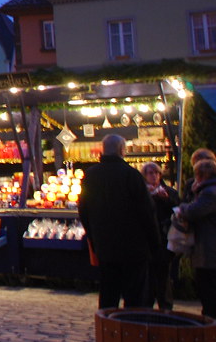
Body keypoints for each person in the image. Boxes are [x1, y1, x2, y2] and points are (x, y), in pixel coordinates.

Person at [77, 134, 160, 309]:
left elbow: (83, 210)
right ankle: (131, 323)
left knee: (108, 293)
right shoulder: (131, 175)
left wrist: (93, 238)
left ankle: (107, 323)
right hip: (133, 247)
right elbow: (147, 212)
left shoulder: (90, 175)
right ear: (122, 150)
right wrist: (154, 245)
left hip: (105, 245)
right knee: (135, 295)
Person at [176, 158, 216, 318]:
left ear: (200, 176)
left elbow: (193, 211)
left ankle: (210, 323)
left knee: (208, 290)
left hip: (209, 250)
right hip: (208, 248)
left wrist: (182, 207)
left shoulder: (209, 192)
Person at [142, 161, 180, 310]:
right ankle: (147, 305)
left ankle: (165, 305)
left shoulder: (169, 192)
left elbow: (177, 210)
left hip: (165, 238)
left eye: (156, 173)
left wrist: (166, 199)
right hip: (148, 239)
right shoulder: (142, 192)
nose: (154, 176)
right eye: (150, 173)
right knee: (148, 274)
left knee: (164, 273)